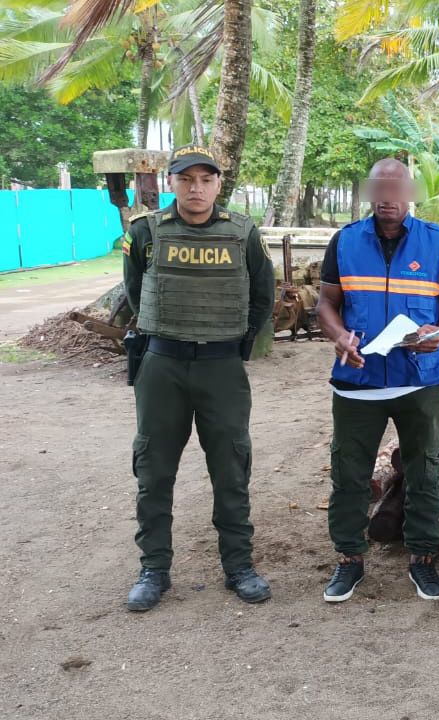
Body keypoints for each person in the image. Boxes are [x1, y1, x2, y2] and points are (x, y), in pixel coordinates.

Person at [122, 144, 275, 611]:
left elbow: (262, 297)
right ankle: (154, 569)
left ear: (217, 185)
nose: (196, 188)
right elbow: (134, 290)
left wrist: (234, 343)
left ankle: (239, 566)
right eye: (186, 179)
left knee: (231, 468)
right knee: (154, 470)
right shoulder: (146, 231)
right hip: (162, 366)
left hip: (221, 369)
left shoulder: (242, 232)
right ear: (171, 182)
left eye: (206, 179)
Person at [316, 158, 439, 602]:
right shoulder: (344, 242)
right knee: (349, 474)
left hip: (420, 381)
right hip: (357, 382)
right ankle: (349, 559)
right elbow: (326, 303)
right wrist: (339, 334)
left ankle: (423, 559)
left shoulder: (436, 241)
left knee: (425, 470)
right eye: (379, 188)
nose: (388, 198)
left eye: (398, 188)